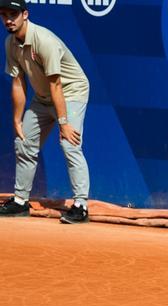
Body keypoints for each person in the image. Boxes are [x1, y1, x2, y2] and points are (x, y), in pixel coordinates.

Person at [0, 0, 91, 223]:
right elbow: (19, 82)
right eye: (4, 15)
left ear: (25, 14)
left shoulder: (44, 40)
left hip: (70, 92)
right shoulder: (10, 43)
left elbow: (56, 84)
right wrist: (17, 119)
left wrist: (63, 123)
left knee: (69, 143)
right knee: (24, 143)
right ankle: (21, 202)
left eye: (13, 14)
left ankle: (81, 206)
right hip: (42, 99)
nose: (8, 20)